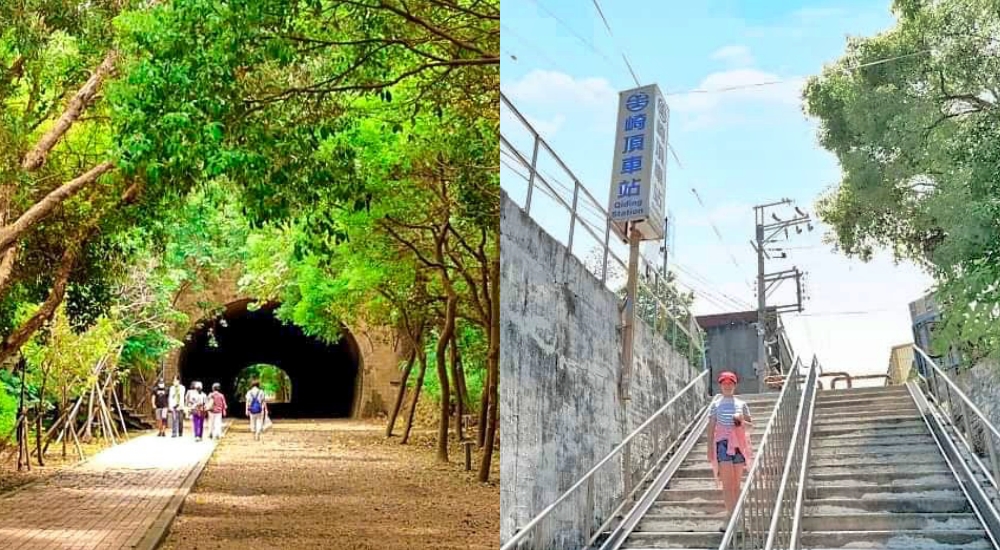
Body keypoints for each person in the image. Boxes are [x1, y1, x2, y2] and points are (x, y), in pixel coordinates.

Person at [707, 371, 753, 530]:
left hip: (739, 445)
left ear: (734, 385)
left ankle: (732, 517)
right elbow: (711, 427)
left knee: (736, 484)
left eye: (730, 383)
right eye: (724, 383)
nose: (727, 386)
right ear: (720, 385)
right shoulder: (715, 405)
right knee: (727, 483)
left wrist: (741, 419)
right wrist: (709, 449)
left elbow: (750, 426)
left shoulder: (742, 404)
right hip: (723, 444)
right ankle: (734, 518)